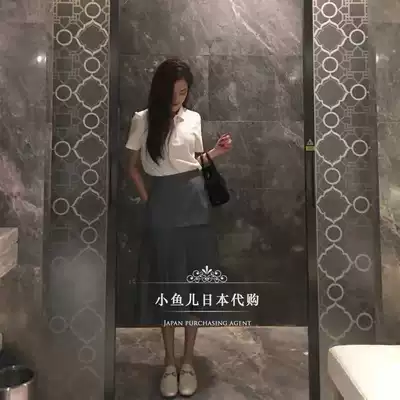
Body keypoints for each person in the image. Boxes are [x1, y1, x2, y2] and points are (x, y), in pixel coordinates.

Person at [125, 58, 232, 398]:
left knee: (196, 285)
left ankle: (188, 362)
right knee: (168, 284)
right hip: (164, 207)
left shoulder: (194, 118)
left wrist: (216, 152)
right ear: (161, 90)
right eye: (173, 92)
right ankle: (169, 362)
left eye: (183, 92)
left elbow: (195, 160)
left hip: (196, 205)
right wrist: (150, 201)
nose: (178, 98)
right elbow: (132, 167)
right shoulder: (143, 120)